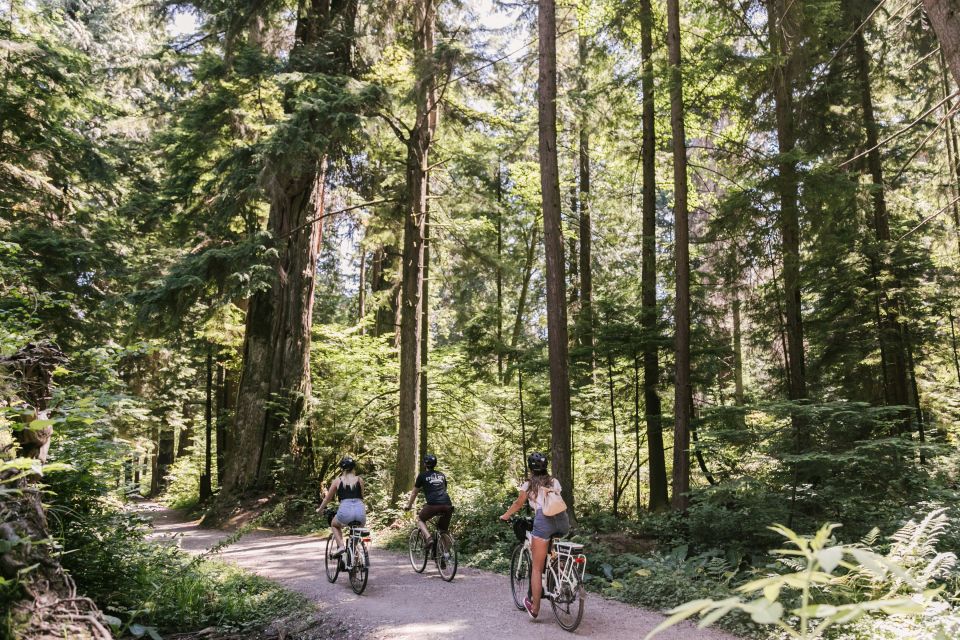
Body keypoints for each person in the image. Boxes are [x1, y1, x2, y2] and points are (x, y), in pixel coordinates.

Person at [499, 451, 569, 620]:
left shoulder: (529, 485)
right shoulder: (554, 481)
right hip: (562, 520)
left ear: (530, 468)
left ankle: (535, 608)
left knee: (536, 568)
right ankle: (560, 574)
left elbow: (518, 503)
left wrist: (505, 516)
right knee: (551, 551)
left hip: (543, 520)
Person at [316, 456, 366, 557]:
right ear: (353, 468)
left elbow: (327, 499)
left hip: (345, 511)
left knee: (334, 524)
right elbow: (361, 497)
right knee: (356, 533)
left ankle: (341, 547)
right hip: (360, 511)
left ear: (342, 469)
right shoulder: (360, 480)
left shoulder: (338, 481)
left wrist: (320, 510)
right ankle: (355, 554)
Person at [404, 453, 453, 548]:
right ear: (435, 464)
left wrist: (409, 505)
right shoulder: (441, 475)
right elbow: (444, 489)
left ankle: (428, 538)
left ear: (425, 464)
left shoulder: (422, 476)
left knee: (420, 519)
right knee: (443, 530)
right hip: (447, 505)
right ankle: (445, 554)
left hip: (433, 505)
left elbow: (414, 493)